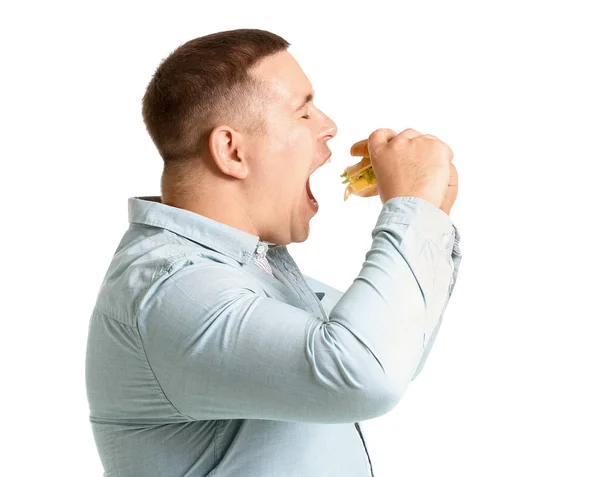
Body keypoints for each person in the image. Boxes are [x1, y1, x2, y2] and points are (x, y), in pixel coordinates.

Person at [85, 28, 462, 477]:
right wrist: (410, 211)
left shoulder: (246, 269)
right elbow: (365, 374)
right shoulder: (171, 288)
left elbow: (396, 351)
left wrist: (431, 216)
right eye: (303, 112)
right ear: (232, 151)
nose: (329, 126)